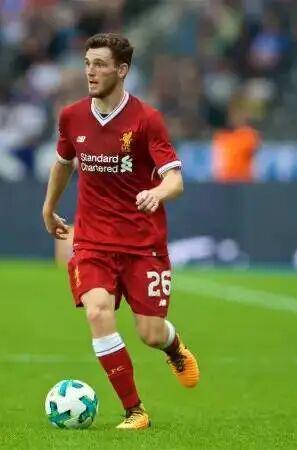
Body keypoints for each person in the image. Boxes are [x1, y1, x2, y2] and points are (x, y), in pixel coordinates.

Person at [42, 33, 200, 430]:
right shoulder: (72, 116)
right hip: (92, 241)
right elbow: (63, 162)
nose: (90, 72)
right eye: (87, 63)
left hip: (142, 244)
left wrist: (157, 192)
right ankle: (135, 410)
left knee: (150, 333)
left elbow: (175, 179)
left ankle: (174, 348)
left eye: (100, 64)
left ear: (122, 70)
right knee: (97, 311)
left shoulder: (146, 120)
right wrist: (48, 206)